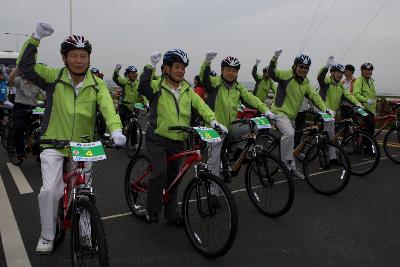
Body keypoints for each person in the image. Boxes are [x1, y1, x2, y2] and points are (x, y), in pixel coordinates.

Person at [17, 22, 125, 254]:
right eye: (73, 55)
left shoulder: (97, 85)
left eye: (83, 56)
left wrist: (116, 129)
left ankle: (85, 233)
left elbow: (108, 107)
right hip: (53, 143)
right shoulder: (53, 77)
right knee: (50, 191)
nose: (79, 60)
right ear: (64, 58)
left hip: (84, 144)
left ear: (89, 58)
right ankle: (47, 234)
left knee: (86, 192)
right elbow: (25, 66)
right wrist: (35, 38)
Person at [138, 49, 226, 224]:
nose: (180, 71)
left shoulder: (187, 89)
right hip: (157, 137)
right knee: (161, 173)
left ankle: (171, 215)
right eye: (177, 67)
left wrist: (213, 121)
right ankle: (152, 210)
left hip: (178, 139)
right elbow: (143, 87)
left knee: (175, 178)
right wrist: (150, 67)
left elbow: (201, 106)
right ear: (166, 69)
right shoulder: (158, 86)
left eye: (183, 68)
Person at [199, 51, 273, 178]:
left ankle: (237, 153)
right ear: (222, 70)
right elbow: (204, 78)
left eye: (234, 70)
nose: (231, 73)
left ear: (237, 73)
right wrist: (207, 62)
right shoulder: (215, 83)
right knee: (214, 162)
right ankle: (213, 191)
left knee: (254, 126)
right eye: (228, 69)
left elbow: (251, 98)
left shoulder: (238, 87)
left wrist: (266, 109)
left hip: (231, 126)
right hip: (214, 129)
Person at [268, 49, 328, 179]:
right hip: (279, 113)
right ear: (295, 66)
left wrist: (324, 109)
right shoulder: (286, 75)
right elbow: (272, 73)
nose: (303, 70)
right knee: (289, 134)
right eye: (301, 66)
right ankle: (286, 166)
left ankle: (290, 165)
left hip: (291, 117)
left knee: (293, 140)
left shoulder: (305, 82)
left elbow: (314, 95)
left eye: (306, 68)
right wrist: (274, 58)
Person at [317, 58, 362, 162]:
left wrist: (357, 103)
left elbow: (349, 96)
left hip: (332, 113)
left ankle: (330, 155)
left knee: (331, 134)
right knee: (331, 132)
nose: (340, 75)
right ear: (332, 73)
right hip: (322, 110)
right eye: (338, 72)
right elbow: (320, 77)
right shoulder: (327, 81)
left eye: (342, 73)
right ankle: (330, 157)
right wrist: (326, 67)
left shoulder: (340, 85)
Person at [8, 67, 46, 160]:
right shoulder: (19, 81)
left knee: (38, 131)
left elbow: (45, 96)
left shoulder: (38, 85)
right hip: (20, 109)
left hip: (32, 109)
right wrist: (18, 67)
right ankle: (20, 152)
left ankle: (37, 153)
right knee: (19, 128)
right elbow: (10, 79)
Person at [353, 62, 377, 142]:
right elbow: (356, 94)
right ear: (362, 71)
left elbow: (373, 97)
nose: (367, 72)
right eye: (365, 70)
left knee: (370, 127)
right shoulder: (359, 81)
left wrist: (374, 110)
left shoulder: (371, 82)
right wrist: (366, 100)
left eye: (369, 70)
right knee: (370, 124)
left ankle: (367, 143)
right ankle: (368, 146)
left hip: (370, 109)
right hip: (360, 108)